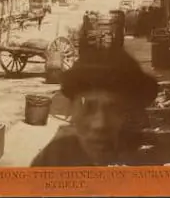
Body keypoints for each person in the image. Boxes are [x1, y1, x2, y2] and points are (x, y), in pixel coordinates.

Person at [30, 49, 158, 167]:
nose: (100, 124)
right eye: (87, 107)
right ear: (71, 110)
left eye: (114, 109)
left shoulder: (152, 163)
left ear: (135, 115)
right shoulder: (55, 159)